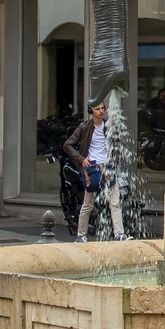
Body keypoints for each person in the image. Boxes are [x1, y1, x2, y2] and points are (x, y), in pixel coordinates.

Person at [63, 101, 127, 243]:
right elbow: (67, 145)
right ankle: (81, 235)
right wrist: (82, 159)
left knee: (115, 202)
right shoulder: (84, 127)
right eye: (98, 109)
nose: (101, 111)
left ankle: (119, 234)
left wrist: (113, 160)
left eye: (103, 108)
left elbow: (117, 145)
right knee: (88, 204)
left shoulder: (108, 126)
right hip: (92, 169)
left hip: (107, 168)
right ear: (91, 111)